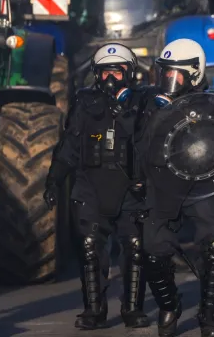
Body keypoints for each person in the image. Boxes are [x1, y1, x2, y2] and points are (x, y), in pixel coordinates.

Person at [44, 43, 150, 330]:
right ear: (96, 75)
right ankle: (94, 308)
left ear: (130, 73)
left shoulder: (143, 103)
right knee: (90, 246)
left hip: (130, 187)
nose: (111, 79)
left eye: (117, 72)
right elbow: (68, 147)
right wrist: (54, 179)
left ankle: (132, 308)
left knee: (135, 246)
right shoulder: (85, 103)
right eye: (105, 73)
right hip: (91, 185)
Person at [137, 39, 214, 337]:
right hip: (163, 183)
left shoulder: (213, 103)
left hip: (200, 182)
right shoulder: (149, 104)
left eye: (177, 74)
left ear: (195, 73)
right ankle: (168, 304)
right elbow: (138, 144)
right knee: (153, 250)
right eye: (166, 73)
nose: (170, 81)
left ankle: (209, 315)